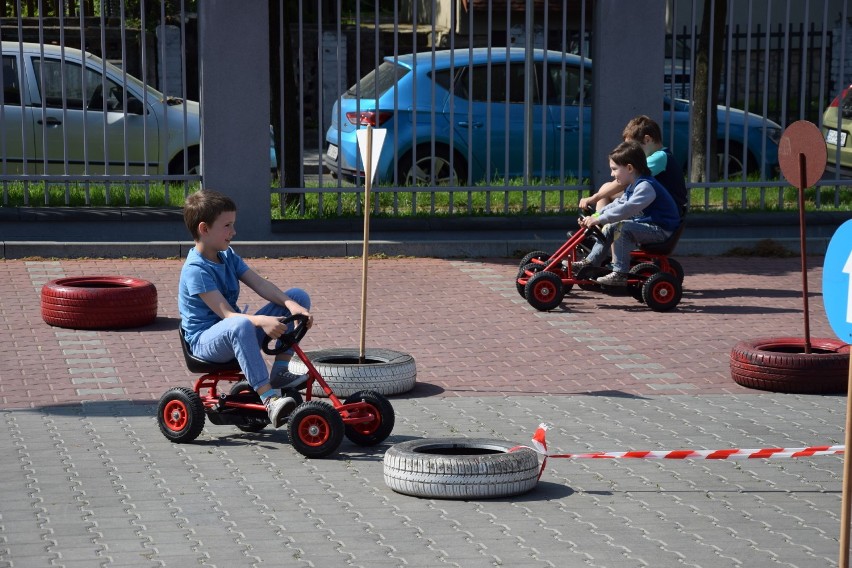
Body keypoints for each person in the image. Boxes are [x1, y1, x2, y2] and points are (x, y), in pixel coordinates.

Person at [178, 189, 314, 428]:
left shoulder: (227, 255)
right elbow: (228, 316)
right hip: (204, 342)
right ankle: (269, 399)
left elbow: (259, 283)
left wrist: (291, 304)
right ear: (204, 229)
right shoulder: (196, 270)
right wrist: (261, 321)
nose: (234, 232)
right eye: (227, 226)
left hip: (232, 331)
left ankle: (281, 371)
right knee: (239, 323)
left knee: (295, 295)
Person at [573, 141, 681, 286]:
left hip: (661, 230)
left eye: (614, 169)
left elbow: (627, 209)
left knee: (620, 228)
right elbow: (617, 205)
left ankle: (620, 273)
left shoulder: (646, 187)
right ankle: (589, 263)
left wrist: (601, 219)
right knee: (611, 227)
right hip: (648, 226)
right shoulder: (633, 186)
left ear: (629, 168)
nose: (612, 174)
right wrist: (595, 217)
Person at [580, 115, 688, 217]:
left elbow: (623, 183)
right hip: (661, 206)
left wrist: (594, 198)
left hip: (667, 212)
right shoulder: (658, 156)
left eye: (633, 146)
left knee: (606, 191)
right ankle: (599, 223)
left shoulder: (659, 157)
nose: (631, 151)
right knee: (608, 190)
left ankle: (599, 225)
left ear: (647, 140)